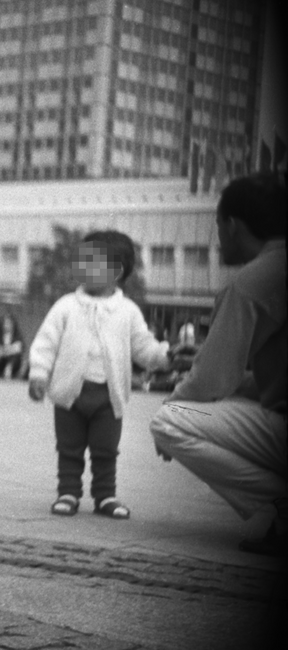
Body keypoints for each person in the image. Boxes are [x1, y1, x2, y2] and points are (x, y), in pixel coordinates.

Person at [150, 174, 287, 556]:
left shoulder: (250, 282)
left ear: (232, 225)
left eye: (216, 224)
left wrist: (173, 403)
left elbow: (210, 382)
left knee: (169, 420)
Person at [28, 231, 171, 520]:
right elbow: (46, 341)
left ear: (116, 271)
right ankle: (68, 491)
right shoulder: (66, 305)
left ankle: (105, 494)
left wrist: (166, 356)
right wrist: (39, 373)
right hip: (70, 393)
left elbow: (143, 346)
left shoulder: (127, 311)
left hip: (109, 395)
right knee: (69, 447)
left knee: (106, 449)